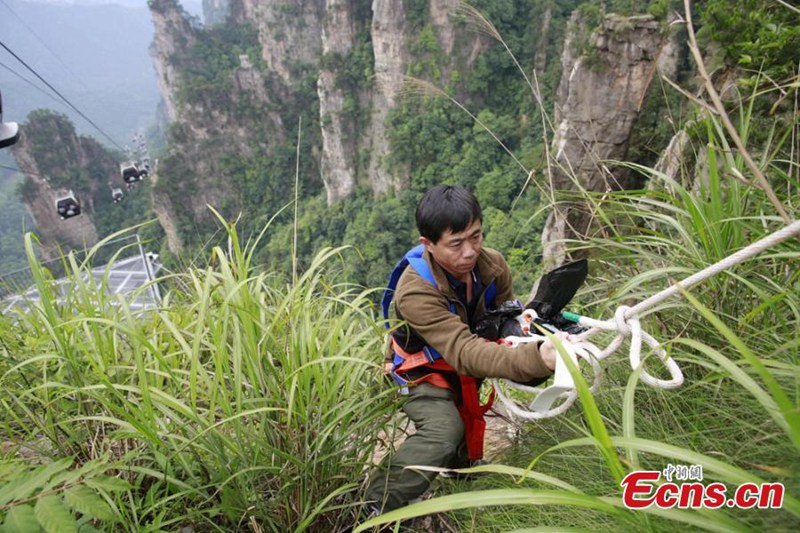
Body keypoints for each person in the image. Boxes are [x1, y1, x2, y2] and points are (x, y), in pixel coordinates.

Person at [364, 184, 559, 515]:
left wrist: (534, 330)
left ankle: (460, 480)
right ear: (429, 244)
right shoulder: (414, 292)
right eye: (455, 244)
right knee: (444, 433)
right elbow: (464, 352)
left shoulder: (492, 266)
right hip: (423, 371)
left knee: (464, 448)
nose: (469, 251)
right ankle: (373, 506)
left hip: (466, 365)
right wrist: (537, 356)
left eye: (476, 236)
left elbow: (505, 315)